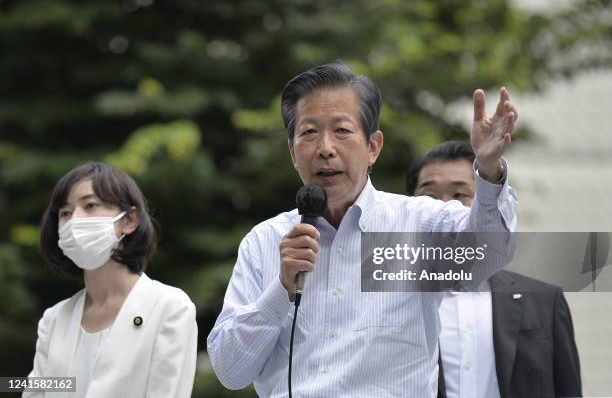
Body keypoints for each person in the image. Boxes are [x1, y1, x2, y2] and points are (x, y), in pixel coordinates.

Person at [207, 61, 518, 397]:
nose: (325, 148)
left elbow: (488, 255)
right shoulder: (265, 241)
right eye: (309, 132)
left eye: (341, 131)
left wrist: (487, 170)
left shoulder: (418, 225)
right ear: (292, 152)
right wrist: (281, 287)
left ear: (373, 147)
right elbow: (230, 370)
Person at [406, 140, 582, 398]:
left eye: (460, 195)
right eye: (429, 196)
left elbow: (567, 389)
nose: (444, 207)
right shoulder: (392, 300)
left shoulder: (543, 301)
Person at [24, 162, 198, 398]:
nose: (75, 220)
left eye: (90, 205)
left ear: (129, 220)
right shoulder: (54, 320)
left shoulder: (170, 307)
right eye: (65, 213)